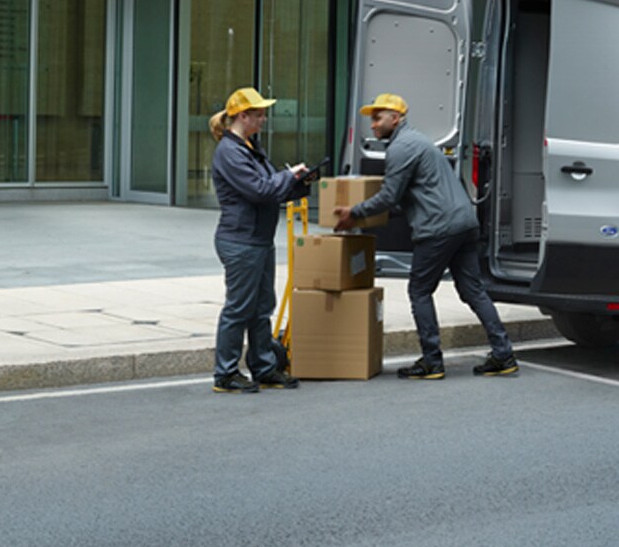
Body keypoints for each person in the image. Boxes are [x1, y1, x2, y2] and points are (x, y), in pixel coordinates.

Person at [336, 93, 516, 380]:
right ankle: (504, 354)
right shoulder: (419, 141)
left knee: (419, 290)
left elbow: (389, 196)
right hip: (464, 223)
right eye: (371, 118)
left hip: (438, 228)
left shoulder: (401, 148)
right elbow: (405, 199)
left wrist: (354, 213)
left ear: (396, 119)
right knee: (473, 291)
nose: (372, 125)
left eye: (378, 118)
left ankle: (432, 360)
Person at [208, 87, 311, 394]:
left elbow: (271, 189)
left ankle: (264, 368)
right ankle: (225, 374)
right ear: (243, 116)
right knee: (239, 309)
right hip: (241, 241)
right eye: (259, 113)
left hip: (258, 240)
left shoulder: (250, 147)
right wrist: (288, 176)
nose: (264, 118)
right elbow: (259, 190)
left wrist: (299, 183)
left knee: (262, 306)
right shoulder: (230, 152)